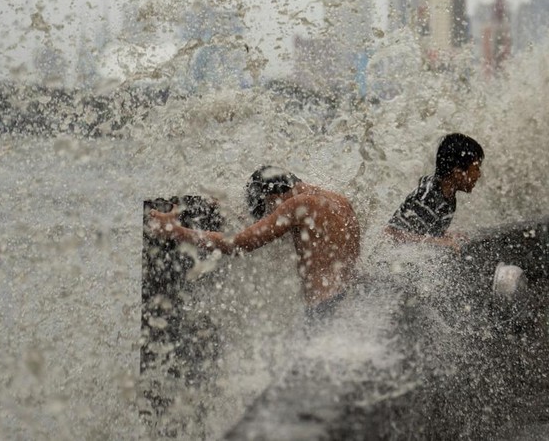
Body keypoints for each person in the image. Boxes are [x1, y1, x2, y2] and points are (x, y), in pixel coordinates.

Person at [148, 166, 361, 322]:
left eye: (270, 208)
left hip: (324, 308)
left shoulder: (299, 204)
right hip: (347, 301)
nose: (272, 214)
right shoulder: (339, 201)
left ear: (274, 196)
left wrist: (176, 231)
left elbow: (238, 244)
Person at [385, 132, 484, 251]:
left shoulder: (448, 194)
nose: (479, 175)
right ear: (458, 173)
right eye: (476, 168)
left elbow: (423, 229)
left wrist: (445, 234)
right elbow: (390, 233)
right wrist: (437, 241)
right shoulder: (428, 196)